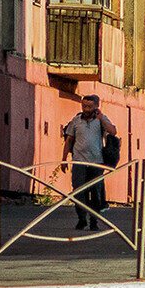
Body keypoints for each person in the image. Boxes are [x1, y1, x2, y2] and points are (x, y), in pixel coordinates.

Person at [59, 95, 117, 231]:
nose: (86, 109)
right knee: (78, 191)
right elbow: (69, 140)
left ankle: (94, 220)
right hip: (79, 161)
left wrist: (101, 118)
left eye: (89, 106)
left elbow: (113, 131)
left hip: (96, 163)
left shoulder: (100, 120)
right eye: (84, 106)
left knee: (95, 193)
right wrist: (64, 159)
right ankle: (81, 219)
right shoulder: (76, 121)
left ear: (96, 106)